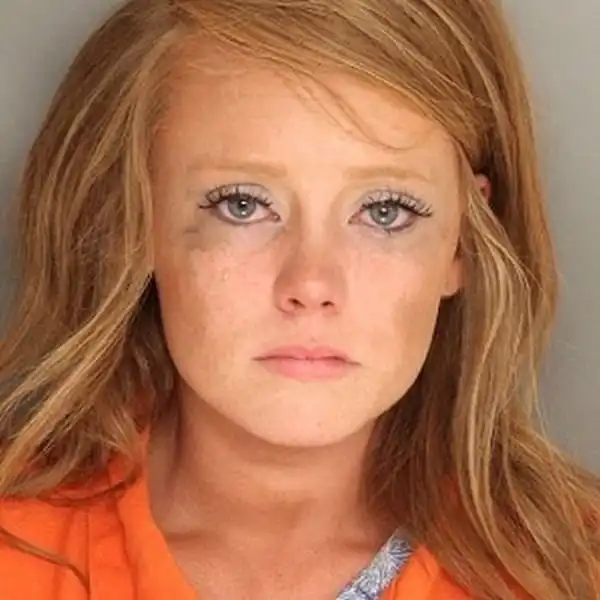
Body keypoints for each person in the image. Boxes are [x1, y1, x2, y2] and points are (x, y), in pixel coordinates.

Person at [0, 0, 598, 598]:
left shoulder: (570, 574)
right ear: (135, 222)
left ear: (461, 239)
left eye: (384, 211)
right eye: (242, 205)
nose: (312, 286)